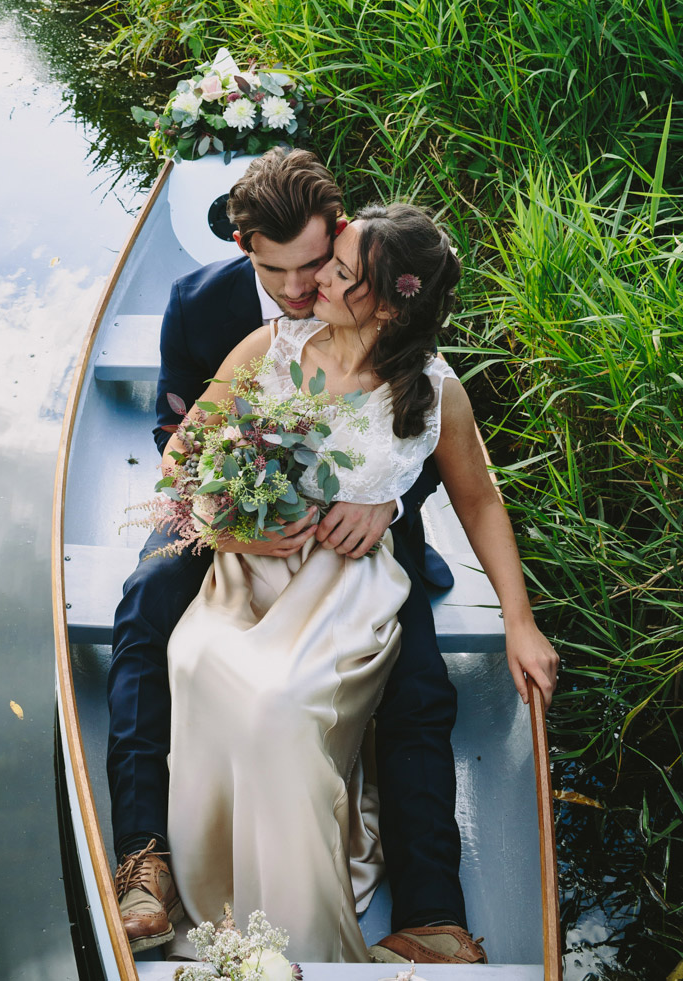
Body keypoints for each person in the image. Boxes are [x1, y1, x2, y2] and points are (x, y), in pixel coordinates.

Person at [108, 151, 483, 963]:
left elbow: (417, 441)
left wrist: (382, 502)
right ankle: (148, 858)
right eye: (276, 269)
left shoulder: (374, 286)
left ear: (340, 232)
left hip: (361, 523)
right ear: (244, 245)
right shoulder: (203, 307)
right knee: (144, 605)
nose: (299, 287)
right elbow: (179, 443)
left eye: (316, 264)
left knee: (418, 674)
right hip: (226, 504)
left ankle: (433, 911)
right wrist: (229, 524)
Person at [163, 201, 559, 963]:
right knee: (195, 658)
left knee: (276, 705)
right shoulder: (272, 345)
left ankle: (301, 935)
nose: (314, 281)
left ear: (386, 300)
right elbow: (183, 455)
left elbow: (478, 500)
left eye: (338, 273)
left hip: (347, 594)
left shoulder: (434, 392)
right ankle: (214, 887)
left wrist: (519, 618)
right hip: (247, 575)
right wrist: (232, 526)